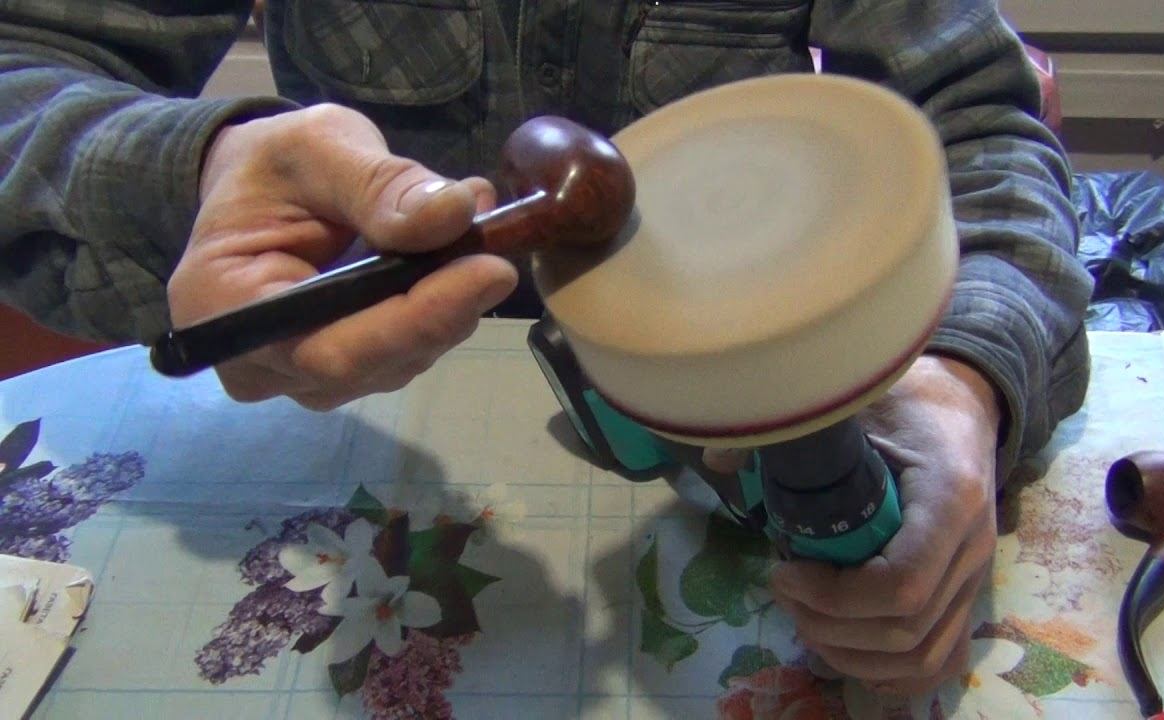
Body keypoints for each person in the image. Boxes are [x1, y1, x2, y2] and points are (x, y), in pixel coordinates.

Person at [0, 0, 1092, 698]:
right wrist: (202, 168)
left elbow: (978, 122)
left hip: (746, 387)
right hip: (375, 449)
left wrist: (959, 382)